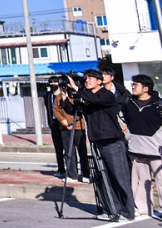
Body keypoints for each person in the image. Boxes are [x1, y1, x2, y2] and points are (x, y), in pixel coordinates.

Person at [65, 69, 135, 221]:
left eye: (91, 78)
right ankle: (110, 208)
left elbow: (97, 99)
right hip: (96, 141)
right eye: (86, 79)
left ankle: (127, 211)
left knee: (120, 177)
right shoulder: (88, 97)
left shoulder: (107, 95)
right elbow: (71, 109)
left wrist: (78, 89)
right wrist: (69, 94)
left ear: (99, 81)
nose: (87, 80)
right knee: (103, 178)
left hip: (112, 141)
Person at [123, 74, 162, 220]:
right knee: (140, 180)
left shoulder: (158, 104)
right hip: (136, 148)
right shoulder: (129, 103)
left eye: (136, 85)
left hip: (158, 150)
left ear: (146, 88)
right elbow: (123, 119)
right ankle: (142, 208)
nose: (133, 87)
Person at [53, 81, 89, 183]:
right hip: (64, 128)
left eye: (66, 86)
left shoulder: (76, 96)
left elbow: (77, 110)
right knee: (69, 152)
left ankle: (86, 173)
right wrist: (62, 121)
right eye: (62, 87)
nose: (64, 89)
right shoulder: (58, 97)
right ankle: (71, 174)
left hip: (77, 127)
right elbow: (55, 110)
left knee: (82, 151)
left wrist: (71, 123)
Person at [46, 76, 68, 179]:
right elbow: (49, 109)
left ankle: (71, 169)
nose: (53, 84)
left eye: (55, 82)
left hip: (64, 122)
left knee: (67, 147)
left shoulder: (63, 94)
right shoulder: (48, 95)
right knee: (58, 148)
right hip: (54, 123)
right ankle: (61, 169)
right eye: (51, 82)